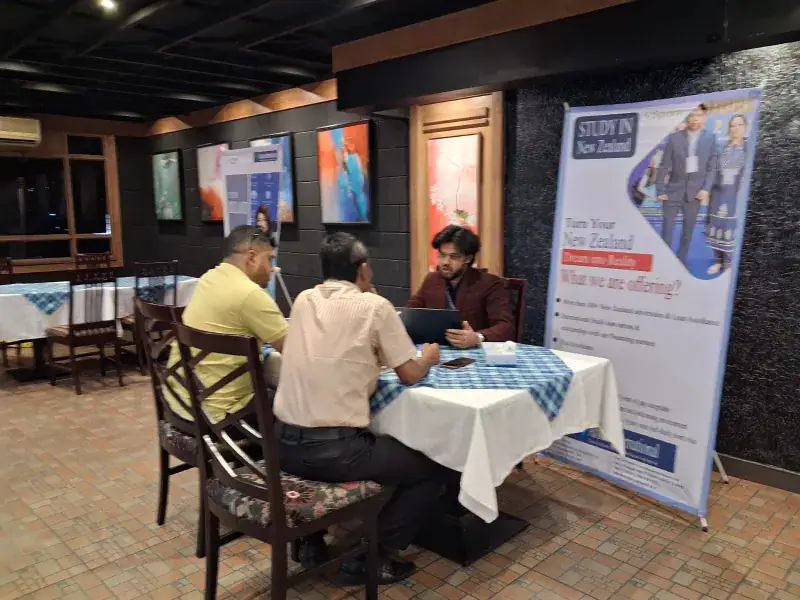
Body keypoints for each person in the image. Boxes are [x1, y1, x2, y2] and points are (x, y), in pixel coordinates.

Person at [274, 232, 455, 584]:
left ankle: (311, 541)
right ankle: (376, 555)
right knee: (435, 463)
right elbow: (409, 374)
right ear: (363, 269)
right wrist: (429, 359)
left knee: (379, 445)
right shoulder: (375, 307)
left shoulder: (304, 300)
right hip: (334, 452)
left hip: (282, 446)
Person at [166, 225, 287, 422]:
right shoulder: (251, 294)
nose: (272, 268)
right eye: (269, 259)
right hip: (220, 415)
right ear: (252, 257)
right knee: (299, 404)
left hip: (180, 402)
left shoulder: (208, 278)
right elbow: (295, 353)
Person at [406, 225, 514, 347]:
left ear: (468, 258)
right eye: (442, 255)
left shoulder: (490, 284)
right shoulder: (432, 279)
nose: (445, 262)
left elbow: (506, 327)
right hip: (436, 349)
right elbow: (410, 312)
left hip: (474, 352)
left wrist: (477, 337)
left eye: (454, 257)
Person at [656, 104, 718, 265]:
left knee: (688, 232)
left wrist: (706, 189)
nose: (694, 119)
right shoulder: (674, 138)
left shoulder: (710, 138)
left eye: (699, 115)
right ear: (686, 117)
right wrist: (660, 190)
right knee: (667, 230)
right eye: (691, 115)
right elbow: (663, 166)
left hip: (695, 194)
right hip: (672, 192)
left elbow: (712, 167)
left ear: (705, 117)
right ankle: (664, 262)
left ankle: (681, 261)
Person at [706, 114, 749, 275]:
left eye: (739, 125)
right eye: (732, 125)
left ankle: (729, 265)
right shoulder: (723, 147)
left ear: (745, 127)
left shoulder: (748, 148)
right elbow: (714, 170)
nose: (735, 128)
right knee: (715, 228)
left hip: (735, 195)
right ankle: (718, 262)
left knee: (729, 229)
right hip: (717, 193)